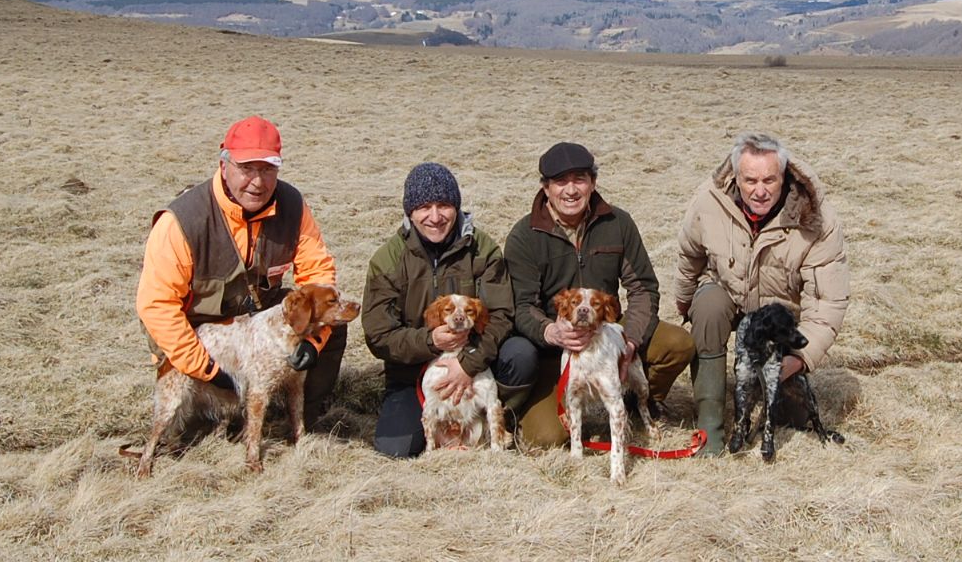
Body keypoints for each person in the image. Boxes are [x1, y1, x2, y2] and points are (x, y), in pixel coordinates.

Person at [135, 115, 346, 430]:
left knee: (331, 315)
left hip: (253, 318)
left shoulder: (293, 206)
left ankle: (302, 419)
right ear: (223, 165)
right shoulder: (181, 221)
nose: (258, 182)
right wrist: (207, 369)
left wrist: (312, 344)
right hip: (199, 335)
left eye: (267, 169)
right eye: (246, 169)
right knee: (188, 427)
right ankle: (205, 410)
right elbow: (158, 308)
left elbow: (318, 276)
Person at [502, 142, 696, 447]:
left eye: (579, 179)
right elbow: (521, 305)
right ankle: (544, 407)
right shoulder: (525, 236)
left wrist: (629, 340)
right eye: (560, 182)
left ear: (593, 183)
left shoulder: (617, 223)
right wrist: (552, 331)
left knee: (678, 344)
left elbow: (643, 288)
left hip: (608, 335)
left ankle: (637, 403)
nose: (571, 190)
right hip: (554, 353)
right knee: (546, 440)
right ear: (545, 188)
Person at [674, 132, 850, 454]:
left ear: (783, 176)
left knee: (793, 417)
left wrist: (797, 360)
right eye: (750, 180)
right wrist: (685, 301)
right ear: (735, 177)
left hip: (779, 315)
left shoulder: (817, 218)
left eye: (769, 180)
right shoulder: (708, 199)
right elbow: (690, 254)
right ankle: (710, 427)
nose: (760, 190)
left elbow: (827, 302)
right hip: (729, 294)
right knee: (708, 306)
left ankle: (773, 396)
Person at [361, 162, 520, 458]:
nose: (435, 217)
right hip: (410, 373)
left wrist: (469, 363)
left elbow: (502, 315)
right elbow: (378, 335)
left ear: (456, 208)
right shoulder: (387, 260)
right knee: (397, 448)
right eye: (424, 207)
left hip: (478, 359)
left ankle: (504, 418)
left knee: (520, 355)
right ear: (410, 212)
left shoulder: (481, 249)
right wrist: (430, 342)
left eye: (444, 205)